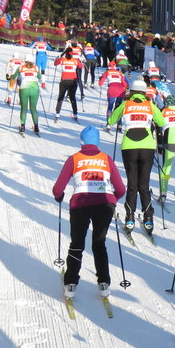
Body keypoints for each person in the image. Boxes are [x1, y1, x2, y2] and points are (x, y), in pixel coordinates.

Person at [52, 126, 126, 299]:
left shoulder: (74, 159)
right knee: (99, 243)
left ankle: (71, 284)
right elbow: (121, 189)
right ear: (98, 142)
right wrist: (113, 199)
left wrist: (59, 196)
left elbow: (58, 188)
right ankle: (104, 283)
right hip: (105, 204)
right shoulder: (106, 159)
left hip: (80, 204)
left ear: (82, 142)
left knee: (77, 243)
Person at [107, 79, 166, 232]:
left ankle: (130, 217)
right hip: (147, 147)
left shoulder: (125, 104)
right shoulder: (150, 105)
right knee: (144, 185)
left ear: (131, 91)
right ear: (144, 92)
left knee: (132, 184)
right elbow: (161, 122)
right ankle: (148, 217)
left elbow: (111, 120)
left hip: (129, 147)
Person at [13, 54, 43, 136]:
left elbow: (14, 77)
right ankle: (36, 127)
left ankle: (22, 127)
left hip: (24, 89)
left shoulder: (21, 67)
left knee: (24, 109)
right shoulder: (36, 68)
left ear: (25, 60)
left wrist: (14, 78)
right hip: (34, 90)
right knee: (33, 109)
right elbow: (39, 77)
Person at [53, 48, 83, 122]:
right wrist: (80, 61)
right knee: (72, 98)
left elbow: (55, 64)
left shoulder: (62, 59)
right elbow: (81, 66)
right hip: (73, 81)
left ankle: (57, 114)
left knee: (61, 97)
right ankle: (75, 114)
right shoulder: (75, 60)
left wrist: (57, 58)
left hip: (64, 80)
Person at [98, 61, 129, 130]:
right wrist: (126, 87)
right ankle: (119, 124)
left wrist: (100, 79)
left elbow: (100, 84)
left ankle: (108, 124)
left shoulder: (107, 72)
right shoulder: (119, 72)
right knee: (118, 108)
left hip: (112, 90)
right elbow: (125, 84)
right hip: (121, 90)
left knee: (110, 107)